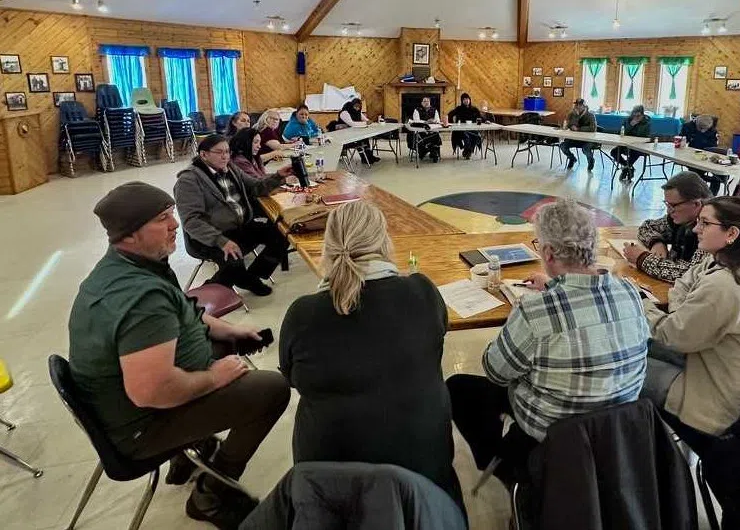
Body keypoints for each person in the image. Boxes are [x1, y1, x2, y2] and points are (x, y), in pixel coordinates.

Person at [68, 181, 291, 528]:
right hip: (142, 426)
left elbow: (185, 315)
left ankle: (190, 452)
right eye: (161, 219)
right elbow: (151, 391)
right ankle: (211, 494)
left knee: (220, 347)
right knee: (272, 389)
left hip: (130, 406)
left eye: (171, 213)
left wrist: (232, 332)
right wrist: (213, 377)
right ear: (129, 234)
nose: (175, 224)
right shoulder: (141, 299)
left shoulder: (133, 265)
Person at [447, 199, 649, 487]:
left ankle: (507, 466)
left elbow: (495, 371)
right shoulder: (629, 292)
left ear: (549, 252)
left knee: (459, 388)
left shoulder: (534, 312)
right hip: (616, 428)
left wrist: (522, 316)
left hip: (556, 434)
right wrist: (553, 285)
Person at [279, 201, 465, 513]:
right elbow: (435, 344)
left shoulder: (304, 313)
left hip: (332, 483)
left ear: (329, 245)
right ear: (383, 241)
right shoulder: (422, 292)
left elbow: (292, 378)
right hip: (425, 475)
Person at [639, 196, 740, 439]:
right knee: (642, 344)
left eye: (705, 224)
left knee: (625, 366)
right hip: (731, 371)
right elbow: (683, 283)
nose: (696, 229)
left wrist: (640, 304)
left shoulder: (725, 284)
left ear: (731, 233)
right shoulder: (727, 261)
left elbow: (672, 336)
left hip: (730, 400)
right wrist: (683, 310)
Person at [174, 134, 291, 296]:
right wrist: (221, 241)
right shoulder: (188, 181)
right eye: (219, 152)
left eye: (228, 152)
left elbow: (256, 188)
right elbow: (192, 221)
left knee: (284, 233)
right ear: (204, 154)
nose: (225, 156)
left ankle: (250, 277)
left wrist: (278, 176)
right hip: (209, 237)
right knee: (233, 263)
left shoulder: (231, 168)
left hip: (240, 228)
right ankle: (202, 297)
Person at [622, 171, 712, 282]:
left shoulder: (712, 230)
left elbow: (689, 274)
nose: (669, 211)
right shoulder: (682, 218)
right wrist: (656, 242)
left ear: (696, 204)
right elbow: (647, 227)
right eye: (667, 204)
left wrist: (641, 258)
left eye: (673, 205)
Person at [610, 105, 651, 179]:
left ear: (642, 115)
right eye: (634, 115)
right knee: (614, 152)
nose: (635, 117)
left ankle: (626, 169)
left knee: (635, 152)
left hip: (640, 146)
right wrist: (631, 125)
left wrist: (638, 123)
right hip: (626, 144)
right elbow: (621, 133)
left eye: (638, 115)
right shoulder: (627, 120)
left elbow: (643, 136)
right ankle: (628, 167)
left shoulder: (646, 123)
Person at [559, 99, 597, 171]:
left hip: (587, 140)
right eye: (576, 104)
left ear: (584, 106)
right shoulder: (572, 114)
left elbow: (593, 128)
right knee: (563, 146)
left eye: (580, 105)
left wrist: (579, 129)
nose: (578, 106)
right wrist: (575, 117)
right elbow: (569, 125)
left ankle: (591, 161)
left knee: (585, 149)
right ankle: (572, 158)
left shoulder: (591, 115)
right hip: (575, 139)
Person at [338, 98, 379, 164]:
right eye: (356, 106)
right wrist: (365, 123)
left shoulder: (358, 112)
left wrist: (370, 121)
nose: (357, 108)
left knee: (365, 138)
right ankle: (365, 158)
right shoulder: (344, 113)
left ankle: (369, 157)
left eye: (359, 107)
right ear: (352, 105)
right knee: (361, 139)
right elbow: (352, 124)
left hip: (354, 133)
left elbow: (366, 120)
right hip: (345, 136)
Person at [447, 92, 483, 159]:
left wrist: (485, 120)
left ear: (469, 100)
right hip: (461, 130)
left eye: (467, 99)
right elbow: (450, 114)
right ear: (462, 101)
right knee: (466, 135)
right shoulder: (459, 108)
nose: (466, 101)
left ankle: (468, 151)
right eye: (464, 99)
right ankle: (468, 151)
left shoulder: (474, 109)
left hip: (472, 129)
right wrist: (452, 123)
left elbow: (480, 117)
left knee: (476, 135)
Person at [410, 96, 443, 162]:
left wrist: (434, 121)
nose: (426, 103)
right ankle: (433, 152)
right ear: (421, 103)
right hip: (421, 131)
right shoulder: (417, 110)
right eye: (424, 101)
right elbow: (416, 121)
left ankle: (430, 151)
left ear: (430, 102)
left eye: (428, 101)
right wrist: (426, 122)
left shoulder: (434, 110)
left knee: (435, 135)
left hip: (432, 130)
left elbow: (438, 120)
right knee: (433, 137)